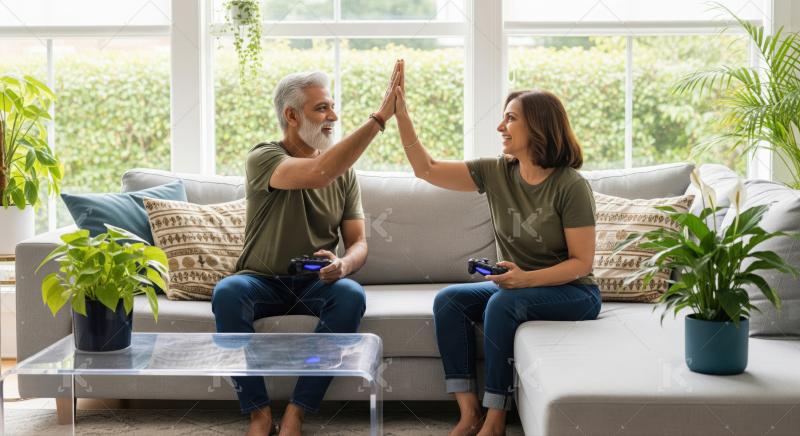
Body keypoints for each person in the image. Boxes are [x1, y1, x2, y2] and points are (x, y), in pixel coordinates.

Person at [393, 61, 601, 436]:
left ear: (537, 126)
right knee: (449, 300)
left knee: (501, 303)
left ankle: (496, 418)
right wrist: (401, 115)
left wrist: (524, 281)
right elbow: (426, 169)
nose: (500, 127)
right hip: (518, 284)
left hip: (573, 291)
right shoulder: (497, 173)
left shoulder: (571, 186)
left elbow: (581, 263)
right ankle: (469, 411)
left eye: (510, 119)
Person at [212, 61, 402, 436]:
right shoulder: (264, 157)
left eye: (331, 106)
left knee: (350, 295)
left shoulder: (344, 174)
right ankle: (259, 413)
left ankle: (298, 411)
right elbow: (317, 173)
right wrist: (380, 118)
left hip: (315, 281)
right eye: (322, 108)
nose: (333, 116)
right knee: (228, 292)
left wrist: (344, 265)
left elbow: (359, 243)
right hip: (261, 280)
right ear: (291, 115)